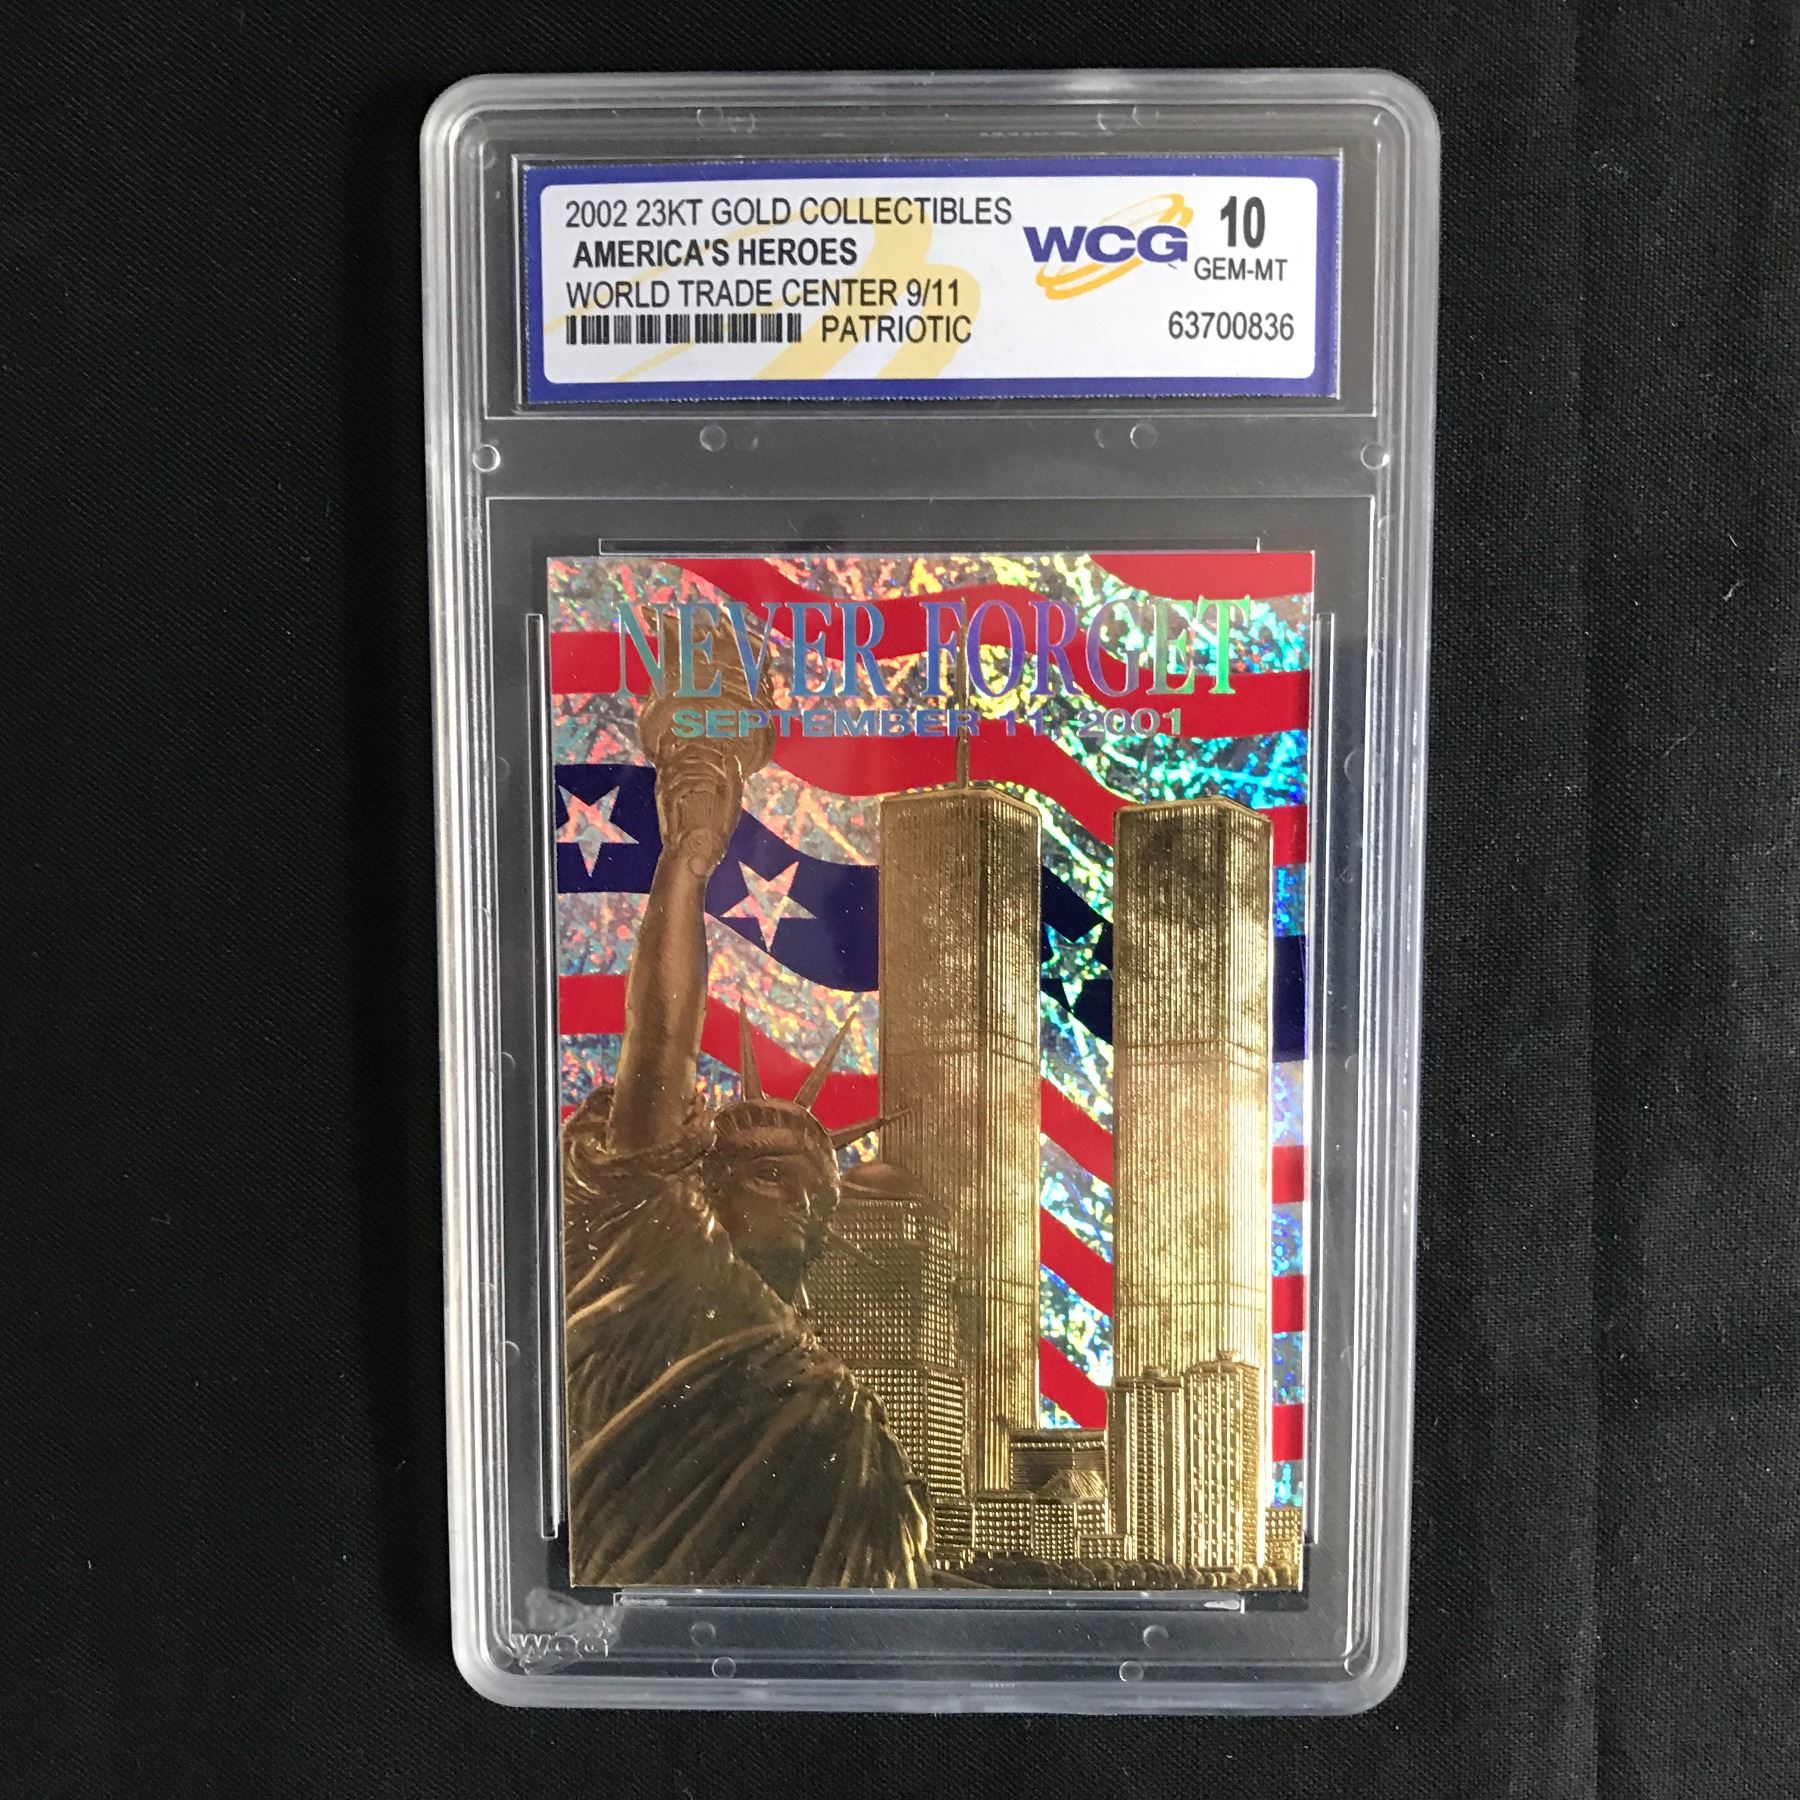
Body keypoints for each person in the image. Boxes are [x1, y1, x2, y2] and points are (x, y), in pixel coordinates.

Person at [561, 621, 934, 1588]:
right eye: (766, 1176)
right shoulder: (659, 1258)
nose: (798, 1203)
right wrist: (688, 861)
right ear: (701, 1191)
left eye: (812, 1189)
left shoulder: (841, 1410)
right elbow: (658, 1048)